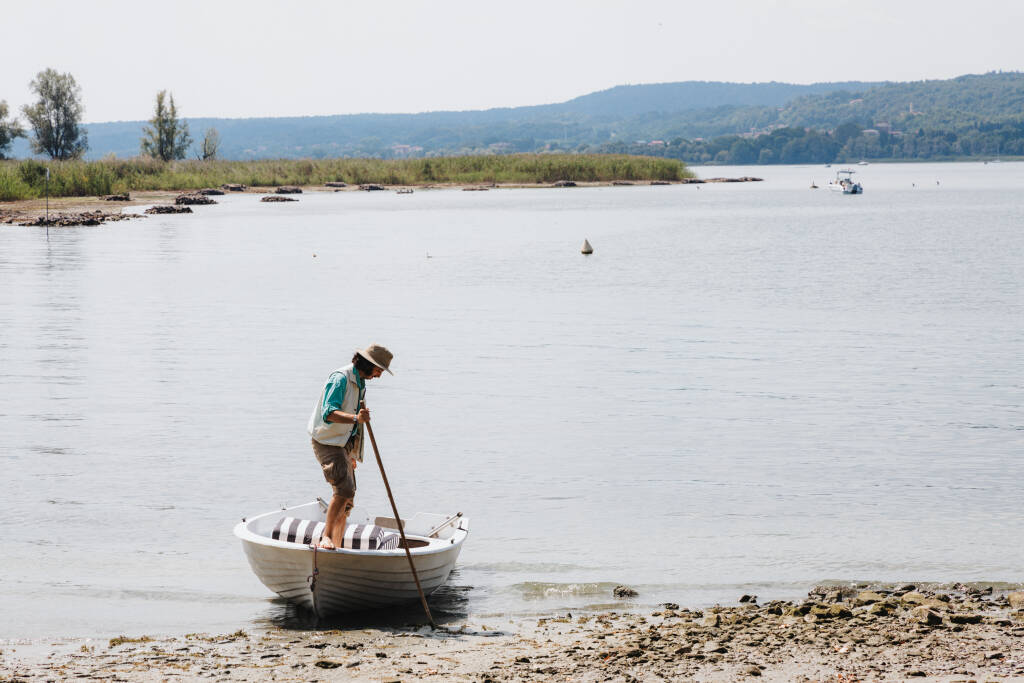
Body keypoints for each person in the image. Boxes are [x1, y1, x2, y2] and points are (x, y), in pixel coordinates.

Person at [308, 343, 393, 549]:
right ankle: (325, 538)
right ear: (368, 364)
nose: (379, 376)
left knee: (349, 495)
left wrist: (352, 453)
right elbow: (329, 413)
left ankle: (335, 543)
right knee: (343, 489)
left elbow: (355, 425)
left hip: (343, 443)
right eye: (378, 370)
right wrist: (356, 417)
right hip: (327, 441)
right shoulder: (341, 379)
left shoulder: (361, 382)